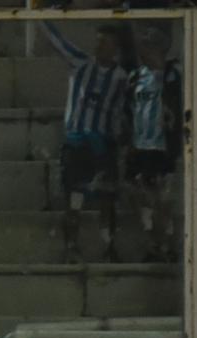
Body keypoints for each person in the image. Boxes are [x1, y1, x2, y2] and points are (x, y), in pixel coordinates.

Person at [43, 22, 130, 263]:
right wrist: (40, 14)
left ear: (116, 48)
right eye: (98, 40)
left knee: (106, 200)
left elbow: (121, 111)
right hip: (77, 145)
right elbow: (57, 39)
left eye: (106, 42)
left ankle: (109, 247)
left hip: (103, 148)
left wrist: (119, 139)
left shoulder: (121, 77)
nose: (99, 45)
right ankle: (71, 247)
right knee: (74, 199)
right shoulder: (81, 63)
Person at [127, 26, 182, 263]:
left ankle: (167, 245)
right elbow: (128, 109)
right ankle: (152, 242)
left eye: (149, 43)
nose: (144, 49)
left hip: (165, 148)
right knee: (140, 194)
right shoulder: (135, 76)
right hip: (141, 146)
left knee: (164, 198)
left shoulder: (174, 74)